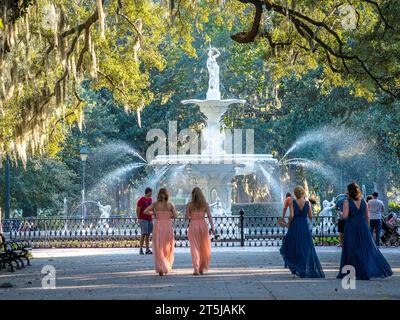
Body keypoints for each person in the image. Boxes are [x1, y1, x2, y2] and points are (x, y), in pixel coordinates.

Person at [337, 182, 392, 280]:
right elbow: (367, 217)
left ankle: (351, 272)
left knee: (351, 248)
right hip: (362, 226)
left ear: (349, 191)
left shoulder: (347, 202)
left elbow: (345, 216)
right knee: (364, 248)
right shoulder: (363, 201)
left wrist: (340, 213)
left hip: (351, 226)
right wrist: (367, 228)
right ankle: (366, 270)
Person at [280, 186, 325, 278]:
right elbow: (311, 216)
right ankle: (304, 268)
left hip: (295, 225)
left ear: (295, 193)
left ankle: (296, 267)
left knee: (293, 245)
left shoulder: (293, 202)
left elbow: (291, 215)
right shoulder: (307, 203)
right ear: (303, 193)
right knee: (305, 246)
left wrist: (288, 223)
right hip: (304, 226)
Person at [144, 188, 177, 276]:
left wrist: (154, 213)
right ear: (167, 195)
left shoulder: (155, 204)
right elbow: (175, 216)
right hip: (167, 226)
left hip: (158, 226)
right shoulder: (170, 204)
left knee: (158, 246)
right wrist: (168, 215)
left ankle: (161, 267)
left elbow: (145, 211)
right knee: (167, 246)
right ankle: (165, 265)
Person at [185, 187, 216, 275]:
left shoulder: (189, 205)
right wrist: (213, 228)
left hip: (193, 226)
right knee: (203, 247)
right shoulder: (205, 204)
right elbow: (209, 217)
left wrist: (190, 213)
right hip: (203, 226)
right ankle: (202, 267)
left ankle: (196, 268)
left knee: (194, 247)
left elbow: (186, 217)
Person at [136, 187, 153, 255]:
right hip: (143, 219)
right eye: (151, 192)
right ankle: (140, 249)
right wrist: (139, 218)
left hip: (149, 218)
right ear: (148, 192)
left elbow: (151, 208)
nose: (151, 194)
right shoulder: (141, 200)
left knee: (148, 234)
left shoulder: (150, 199)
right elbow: (138, 210)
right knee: (143, 234)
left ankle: (147, 249)